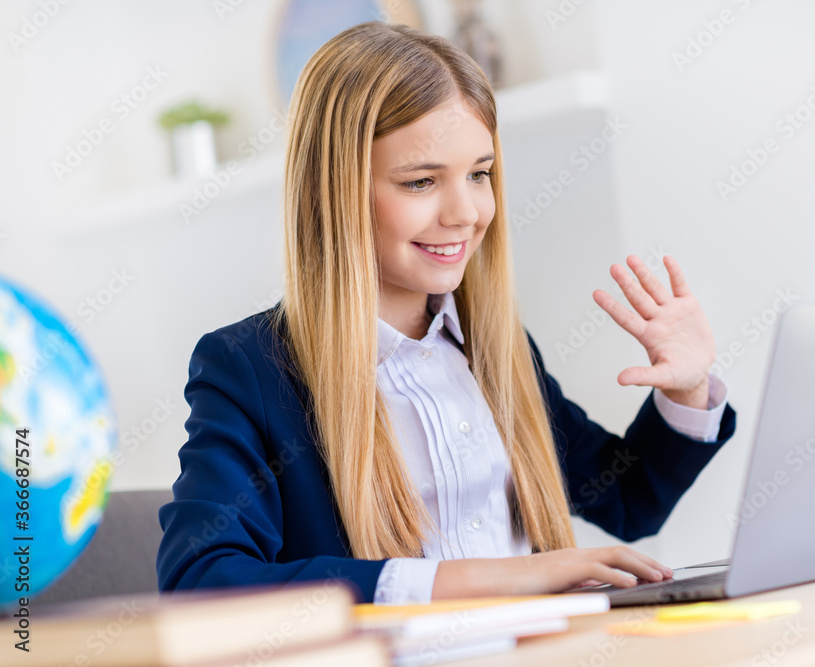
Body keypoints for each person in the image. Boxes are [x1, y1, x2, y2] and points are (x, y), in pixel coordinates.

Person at [156, 21, 737, 605]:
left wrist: (686, 391)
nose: (466, 213)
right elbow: (201, 581)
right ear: (333, 192)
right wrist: (495, 580)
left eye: (480, 174)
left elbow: (628, 501)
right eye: (421, 182)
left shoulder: (494, 348)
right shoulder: (249, 369)